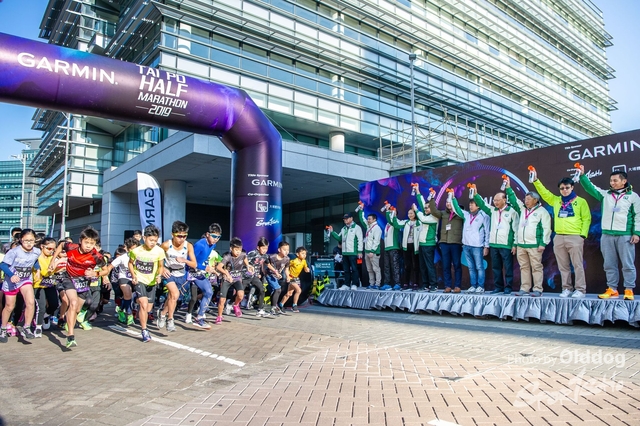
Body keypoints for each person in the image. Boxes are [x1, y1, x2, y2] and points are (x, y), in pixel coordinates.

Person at [579, 166, 640, 300]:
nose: (612, 183)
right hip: (607, 235)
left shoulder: (633, 197)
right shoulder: (605, 195)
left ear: (624, 181)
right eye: (611, 180)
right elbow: (590, 188)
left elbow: (638, 215)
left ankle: (629, 289)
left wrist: (636, 233)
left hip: (625, 235)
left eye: (615, 180)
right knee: (609, 264)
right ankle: (612, 289)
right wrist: (582, 176)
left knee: (628, 264)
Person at [532, 172, 591, 298]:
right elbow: (544, 193)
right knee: (563, 265)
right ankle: (567, 288)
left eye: (567, 188)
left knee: (577, 264)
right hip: (559, 237)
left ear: (572, 187)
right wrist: (536, 180)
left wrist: (582, 235)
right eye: (562, 188)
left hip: (575, 236)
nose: (564, 190)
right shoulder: (556, 201)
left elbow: (586, 219)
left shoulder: (581, 201)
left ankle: (580, 289)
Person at [51, 227, 109, 348]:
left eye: (92, 244)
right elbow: (61, 245)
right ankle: (71, 336)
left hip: (83, 282)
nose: (88, 246)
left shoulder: (97, 256)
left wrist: (95, 273)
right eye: (86, 242)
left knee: (76, 309)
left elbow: (106, 270)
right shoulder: (71, 247)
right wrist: (52, 261)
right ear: (80, 241)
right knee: (72, 302)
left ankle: (68, 321)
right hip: (69, 278)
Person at [473, 182, 519, 295]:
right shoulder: (492, 211)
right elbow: (482, 204)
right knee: (496, 268)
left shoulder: (512, 212)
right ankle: (498, 287)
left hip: (506, 245)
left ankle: (508, 287)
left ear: (505, 200)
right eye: (494, 200)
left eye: (498, 200)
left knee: (508, 267)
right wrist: (475, 194)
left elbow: (516, 229)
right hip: (494, 244)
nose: (495, 202)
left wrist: (514, 244)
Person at [506, 186, 552, 297]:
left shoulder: (542, 212)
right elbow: (514, 200)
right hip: (521, 245)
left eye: (528, 199)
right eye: (525, 199)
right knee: (524, 267)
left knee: (536, 267)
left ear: (535, 200)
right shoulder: (522, 209)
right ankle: (524, 288)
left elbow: (546, 228)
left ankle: (537, 289)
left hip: (534, 245)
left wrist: (543, 243)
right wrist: (508, 188)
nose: (526, 201)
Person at [420, 188, 464, 292]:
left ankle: (457, 286)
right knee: (446, 265)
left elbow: (457, 208)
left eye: (450, 202)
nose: (448, 204)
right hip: (444, 243)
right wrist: (432, 199)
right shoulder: (443, 213)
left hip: (456, 243)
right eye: (447, 202)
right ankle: (447, 286)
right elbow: (434, 211)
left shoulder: (460, 213)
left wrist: (453, 198)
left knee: (457, 265)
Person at [0, 229, 41, 342]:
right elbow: (3, 265)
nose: (29, 243)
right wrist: (11, 275)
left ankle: (27, 327)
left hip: (25, 280)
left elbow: (35, 261)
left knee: (30, 302)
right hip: (11, 281)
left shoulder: (37, 251)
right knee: (9, 306)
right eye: (26, 240)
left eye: (31, 240)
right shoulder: (14, 252)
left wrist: (37, 269)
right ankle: (3, 328)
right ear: (21, 240)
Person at [128, 225, 166, 342]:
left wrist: (159, 275)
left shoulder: (159, 251)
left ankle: (135, 300)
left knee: (148, 308)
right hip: (140, 280)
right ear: (144, 238)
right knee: (144, 305)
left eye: (155, 240)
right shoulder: (135, 251)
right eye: (151, 240)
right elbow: (130, 263)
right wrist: (133, 276)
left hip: (152, 282)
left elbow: (161, 266)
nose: (153, 243)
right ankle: (144, 330)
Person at [158, 221, 197, 332]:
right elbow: (158, 259)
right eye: (179, 236)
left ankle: (162, 313)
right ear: (172, 235)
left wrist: (185, 260)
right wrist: (162, 269)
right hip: (168, 273)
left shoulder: (188, 246)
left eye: (184, 236)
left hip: (181, 274)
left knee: (172, 298)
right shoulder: (166, 245)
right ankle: (170, 320)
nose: (182, 239)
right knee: (175, 294)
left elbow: (194, 264)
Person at [451, 196, 490, 293]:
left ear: (478, 206)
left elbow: (487, 232)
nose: (470, 207)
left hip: (478, 246)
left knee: (479, 267)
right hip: (466, 245)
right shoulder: (466, 215)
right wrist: (453, 198)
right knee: (471, 268)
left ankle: (480, 286)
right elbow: (456, 209)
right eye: (469, 205)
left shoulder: (484, 216)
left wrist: (486, 246)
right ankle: (473, 285)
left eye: (472, 205)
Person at [189, 224, 222, 325]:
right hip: (188, 271)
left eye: (218, 237)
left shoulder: (213, 245)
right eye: (214, 236)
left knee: (209, 292)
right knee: (175, 296)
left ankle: (199, 317)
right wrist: (204, 267)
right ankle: (163, 312)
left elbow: (203, 259)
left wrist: (209, 268)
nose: (216, 239)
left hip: (198, 272)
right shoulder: (200, 245)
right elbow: (190, 260)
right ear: (208, 234)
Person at [215, 237, 249, 325]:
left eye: (240, 250)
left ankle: (236, 305)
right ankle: (219, 316)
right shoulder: (227, 256)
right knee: (222, 300)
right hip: (227, 280)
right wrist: (227, 274)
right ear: (231, 248)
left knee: (240, 295)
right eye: (236, 250)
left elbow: (245, 260)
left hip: (237, 279)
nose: (238, 252)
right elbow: (219, 267)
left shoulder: (243, 254)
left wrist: (249, 266)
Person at [388, 207, 422, 290]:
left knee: (416, 266)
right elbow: (396, 225)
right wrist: (394, 216)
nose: (410, 215)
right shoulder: (406, 222)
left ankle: (416, 283)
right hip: (406, 246)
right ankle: (406, 283)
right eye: (408, 213)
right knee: (407, 265)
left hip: (415, 246)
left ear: (415, 214)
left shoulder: (419, 223)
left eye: (411, 213)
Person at [32, 237, 60, 337]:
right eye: (49, 248)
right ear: (42, 246)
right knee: (41, 306)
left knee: (55, 304)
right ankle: (38, 327)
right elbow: (44, 272)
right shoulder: (37, 257)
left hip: (50, 284)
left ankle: (46, 316)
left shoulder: (52, 257)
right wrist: (55, 265)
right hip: (38, 285)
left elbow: (55, 271)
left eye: (53, 249)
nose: (51, 251)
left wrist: (57, 266)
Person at [328, 213, 363, 290]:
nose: (345, 220)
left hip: (353, 252)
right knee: (346, 270)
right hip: (344, 252)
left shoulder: (357, 227)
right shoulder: (343, 229)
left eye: (346, 218)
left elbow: (360, 240)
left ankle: (355, 284)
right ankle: (347, 284)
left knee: (354, 269)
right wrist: (332, 232)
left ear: (351, 218)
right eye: (344, 219)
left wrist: (359, 251)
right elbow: (339, 238)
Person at [411, 200, 439, 292]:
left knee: (429, 265)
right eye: (425, 208)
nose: (426, 209)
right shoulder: (426, 215)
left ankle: (434, 285)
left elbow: (423, 219)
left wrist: (416, 210)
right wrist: (418, 193)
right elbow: (422, 204)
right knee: (422, 266)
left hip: (429, 244)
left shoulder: (434, 217)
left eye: (428, 207)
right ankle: (425, 284)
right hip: (422, 244)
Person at [355, 206, 382, 289]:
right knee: (369, 269)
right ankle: (371, 283)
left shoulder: (377, 228)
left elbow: (376, 241)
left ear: (374, 219)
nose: (368, 220)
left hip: (373, 252)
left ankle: (377, 284)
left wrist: (372, 251)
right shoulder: (368, 227)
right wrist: (361, 210)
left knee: (376, 269)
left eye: (369, 219)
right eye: (368, 219)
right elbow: (362, 219)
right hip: (367, 251)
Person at [244, 237, 269, 317]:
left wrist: (275, 271)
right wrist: (249, 267)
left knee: (262, 289)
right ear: (258, 247)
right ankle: (230, 302)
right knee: (240, 291)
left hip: (255, 276)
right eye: (263, 248)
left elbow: (267, 264)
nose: (265, 250)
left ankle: (260, 310)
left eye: (266, 248)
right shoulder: (253, 253)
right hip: (246, 275)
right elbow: (244, 260)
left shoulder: (265, 256)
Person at [279, 246, 310, 312]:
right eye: (302, 253)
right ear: (297, 254)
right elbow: (286, 267)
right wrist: (287, 276)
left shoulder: (304, 261)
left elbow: (305, 268)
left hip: (297, 279)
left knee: (289, 294)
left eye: (305, 254)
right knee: (298, 290)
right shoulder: (293, 261)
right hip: (291, 278)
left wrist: (307, 269)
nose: (304, 255)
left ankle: (280, 305)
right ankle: (294, 306)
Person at [264, 241, 288, 315]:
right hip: (269, 275)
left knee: (272, 291)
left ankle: (256, 296)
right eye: (284, 249)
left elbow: (286, 269)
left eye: (288, 250)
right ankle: (273, 307)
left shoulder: (287, 259)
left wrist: (288, 276)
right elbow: (267, 264)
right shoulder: (272, 257)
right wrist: (275, 272)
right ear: (279, 250)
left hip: (276, 277)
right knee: (278, 289)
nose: (286, 251)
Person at [382, 207, 402, 290]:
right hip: (387, 247)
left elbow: (391, 220)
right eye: (390, 211)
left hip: (394, 247)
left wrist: (387, 211)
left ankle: (397, 283)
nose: (391, 212)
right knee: (386, 267)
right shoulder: (387, 224)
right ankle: (387, 283)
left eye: (392, 211)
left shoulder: (396, 221)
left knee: (395, 266)